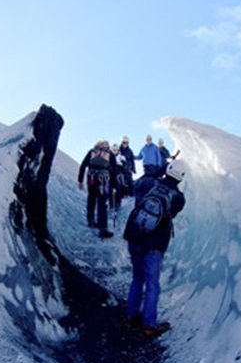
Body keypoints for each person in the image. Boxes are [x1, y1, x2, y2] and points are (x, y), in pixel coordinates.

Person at [123, 159, 186, 339]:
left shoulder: (149, 183)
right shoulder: (179, 199)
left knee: (137, 277)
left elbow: (140, 183)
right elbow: (170, 214)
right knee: (152, 284)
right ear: (181, 178)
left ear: (167, 169)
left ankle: (131, 314)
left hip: (134, 236)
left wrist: (161, 169)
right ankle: (149, 325)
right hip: (154, 245)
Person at [77, 142, 115, 238]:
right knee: (102, 203)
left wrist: (80, 181)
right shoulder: (110, 154)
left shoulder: (92, 152)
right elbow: (114, 171)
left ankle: (91, 222)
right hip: (103, 181)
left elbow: (83, 165)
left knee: (91, 200)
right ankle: (103, 229)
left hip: (91, 180)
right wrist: (113, 186)